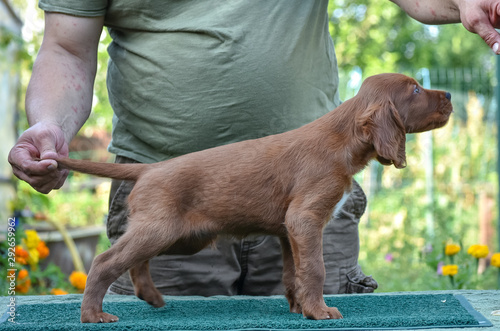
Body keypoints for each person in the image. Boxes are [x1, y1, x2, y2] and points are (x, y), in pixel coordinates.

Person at [9, 0, 500, 297]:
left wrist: (464, 1)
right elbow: (67, 48)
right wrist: (51, 124)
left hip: (314, 188)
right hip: (176, 192)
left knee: (317, 314)